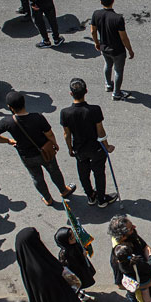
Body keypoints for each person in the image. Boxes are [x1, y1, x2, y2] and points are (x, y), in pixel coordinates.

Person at [0, 91, 76, 206]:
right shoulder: (37, 117)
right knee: (54, 171)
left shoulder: (7, 122)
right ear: (24, 103)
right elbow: (49, 134)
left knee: (36, 177)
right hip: (45, 152)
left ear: (10, 107)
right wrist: (54, 144)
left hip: (27, 156)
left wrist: (8, 141)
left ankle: (48, 199)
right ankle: (64, 191)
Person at [60, 78, 119, 208]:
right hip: (95, 148)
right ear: (86, 91)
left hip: (79, 148)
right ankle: (102, 199)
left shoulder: (65, 113)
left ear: (71, 93)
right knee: (99, 173)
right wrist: (107, 146)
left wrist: (70, 148)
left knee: (83, 172)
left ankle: (90, 196)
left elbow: (67, 134)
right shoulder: (94, 110)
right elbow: (100, 131)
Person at [91, 0, 136, 100]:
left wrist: (97, 43)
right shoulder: (118, 18)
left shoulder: (96, 14)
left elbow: (93, 31)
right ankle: (116, 93)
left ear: (101, 2)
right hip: (117, 50)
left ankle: (108, 84)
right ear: (113, 1)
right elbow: (123, 37)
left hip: (104, 47)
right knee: (118, 71)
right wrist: (130, 50)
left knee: (107, 64)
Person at [54, 227, 95, 302]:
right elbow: (68, 265)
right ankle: (80, 295)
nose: (74, 239)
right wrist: (82, 257)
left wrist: (84, 252)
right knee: (77, 285)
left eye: (73, 236)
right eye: (71, 238)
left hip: (81, 268)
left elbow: (80, 249)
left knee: (83, 282)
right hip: (75, 272)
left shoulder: (75, 244)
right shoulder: (64, 254)